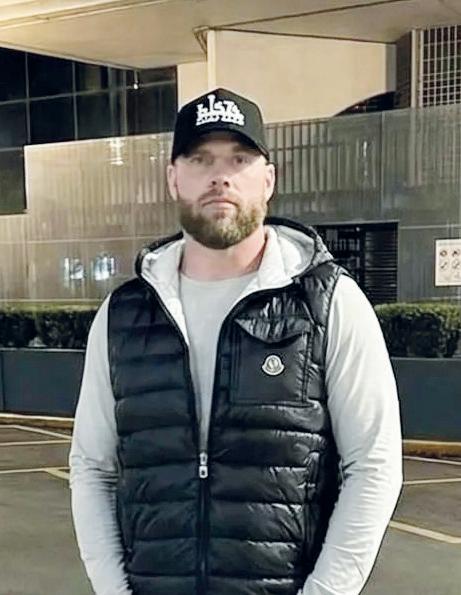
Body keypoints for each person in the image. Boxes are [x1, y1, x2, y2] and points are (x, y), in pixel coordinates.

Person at [69, 88, 403, 595]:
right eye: (200, 159)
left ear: (268, 179)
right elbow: (92, 467)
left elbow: (374, 466)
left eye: (239, 159)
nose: (220, 176)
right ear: (173, 178)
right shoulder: (123, 316)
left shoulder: (329, 303)